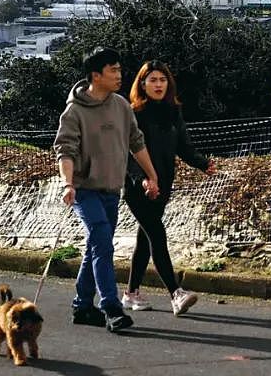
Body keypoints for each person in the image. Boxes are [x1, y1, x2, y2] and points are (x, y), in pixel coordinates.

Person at [54, 46, 160, 333]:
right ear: (95, 75)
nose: (119, 75)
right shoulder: (74, 111)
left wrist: (151, 176)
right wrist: (67, 183)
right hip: (84, 190)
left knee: (95, 247)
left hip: (112, 190)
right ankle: (111, 307)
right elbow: (65, 150)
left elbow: (136, 143)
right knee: (102, 241)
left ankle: (82, 306)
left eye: (119, 69)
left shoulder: (121, 106)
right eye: (113, 70)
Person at [121, 60, 216, 316]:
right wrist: (142, 178)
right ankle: (176, 293)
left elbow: (183, 146)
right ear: (142, 84)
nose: (158, 84)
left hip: (163, 185)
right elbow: (128, 153)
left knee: (146, 239)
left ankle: (131, 294)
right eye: (152, 80)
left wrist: (202, 163)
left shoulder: (173, 112)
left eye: (162, 79)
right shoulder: (134, 113)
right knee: (157, 234)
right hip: (137, 187)